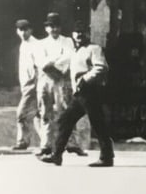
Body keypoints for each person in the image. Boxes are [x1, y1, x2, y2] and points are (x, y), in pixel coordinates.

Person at [39, 21, 114, 167]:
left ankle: (107, 157)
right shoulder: (74, 51)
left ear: (87, 33)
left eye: (82, 32)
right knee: (65, 120)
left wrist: (85, 79)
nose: (79, 35)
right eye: (76, 32)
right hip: (79, 95)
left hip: (91, 92)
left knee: (98, 124)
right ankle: (56, 155)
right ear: (72, 35)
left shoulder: (94, 48)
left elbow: (101, 67)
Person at [33, 12, 85, 157]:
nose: (54, 30)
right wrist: (51, 64)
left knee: (66, 111)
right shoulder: (40, 43)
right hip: (45, 79)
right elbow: (40, 62)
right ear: (46, 28)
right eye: (51, 27)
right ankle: (46, 145)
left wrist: (54, 63)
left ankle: (72, 144)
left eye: (56, 26)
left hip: (61, 78)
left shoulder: (67, 41)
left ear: (60, 28)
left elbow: (68, 57)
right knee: (45, 112)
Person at [11, 19, 40, 150]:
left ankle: (23, 141)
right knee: (39, 116)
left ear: (31, 30)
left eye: (26, 29)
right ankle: (48, 144)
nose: (23, 32)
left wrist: (34, 83)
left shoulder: (36, 45)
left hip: (33, 85)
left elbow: (39, 66)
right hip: (26, 85)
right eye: (20, 30)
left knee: (21, 114)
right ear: (17, 31)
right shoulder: (24, 45)